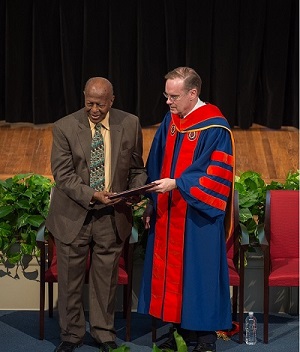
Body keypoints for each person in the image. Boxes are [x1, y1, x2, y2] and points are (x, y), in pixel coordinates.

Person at [45, 77, 148, 352]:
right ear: (84, 97)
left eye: (100, 104)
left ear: (111, 101)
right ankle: (71, 335)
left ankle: (103, 334)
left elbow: (137, 169)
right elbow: (64, 177)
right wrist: (93, 194)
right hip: (73, 216)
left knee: (105, 280)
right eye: (89, 103)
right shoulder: (64, 127)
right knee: (70, 280)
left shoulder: (129, 123)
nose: (94, 109)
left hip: (112, 217)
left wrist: (135, 191)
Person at [137, 67, 235, 352]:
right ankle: (177, 331)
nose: (168, 102)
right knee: (173, 273)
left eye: (174, 96)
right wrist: (151, 202)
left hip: (198, 216)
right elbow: (156, 161)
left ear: (193, 93)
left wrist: (178, 183)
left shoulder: (215, 128)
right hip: (169, 212)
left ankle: (205, 339)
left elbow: (216, 175)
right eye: (167, 95)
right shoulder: (172, 120)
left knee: (199, 275)